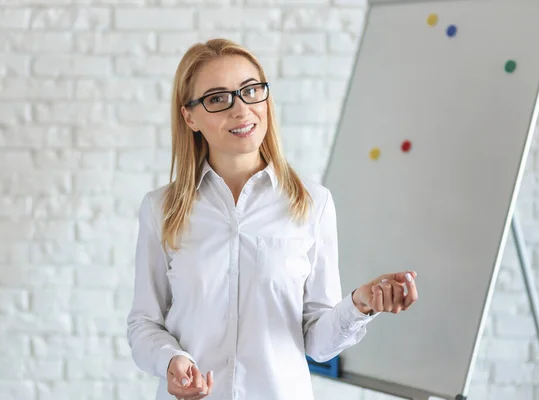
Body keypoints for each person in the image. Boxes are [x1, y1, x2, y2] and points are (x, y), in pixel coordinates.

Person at [126, 38, 419, 400]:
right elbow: (144, 323)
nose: (240, 110)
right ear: (190, 116)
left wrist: (360, 304)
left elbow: (318, 343)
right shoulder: (161, 208)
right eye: (217, 98)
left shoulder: (313, 204)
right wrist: (170, 361)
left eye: (250, 90)